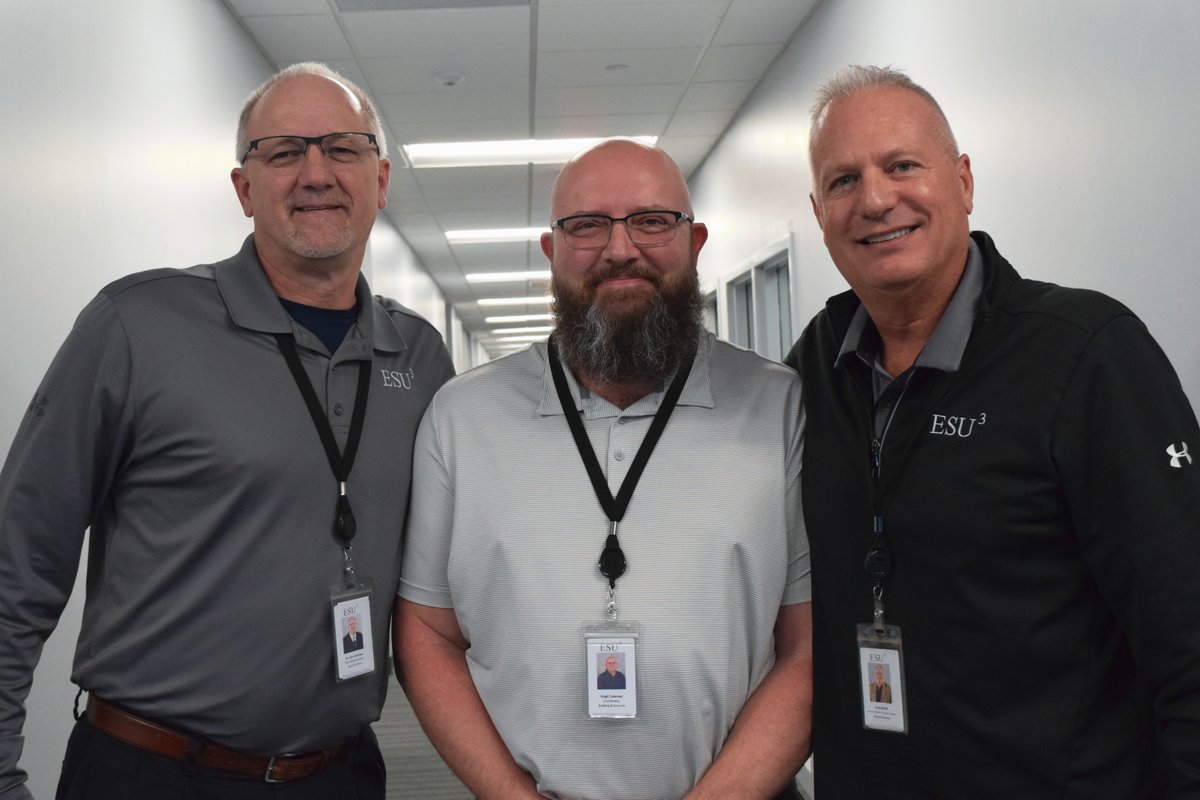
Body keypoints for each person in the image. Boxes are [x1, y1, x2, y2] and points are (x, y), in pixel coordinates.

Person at [0, 62, 454, 800]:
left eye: (342, 148)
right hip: (152, 773)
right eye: (283, 153)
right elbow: (19, 556)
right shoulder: (137, 326)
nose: (315, 173)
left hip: (340, 773)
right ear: (244, 190)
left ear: (380, 179)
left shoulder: (421, 356)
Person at [786, 64, 1200, 797]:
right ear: (819, 215)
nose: (876, 199)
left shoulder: (1084, 353)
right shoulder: (815, 367)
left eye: (902, 165)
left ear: (964, 181)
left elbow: (1186, 630)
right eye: (843, 181)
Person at [395, 138, 812, 800]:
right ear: (550, 252)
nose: (620, 249)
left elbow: (806, 648)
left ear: (695, 240)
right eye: (586, 226)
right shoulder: (462, 418)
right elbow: (425, 631)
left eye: (651, 220)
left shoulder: (777, 405)